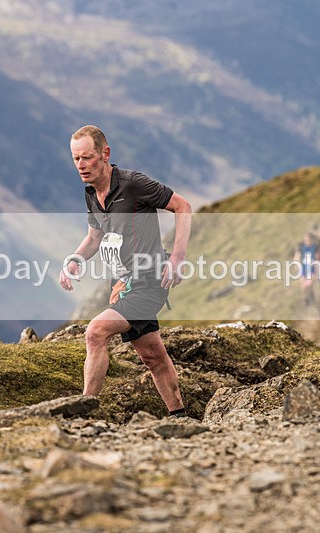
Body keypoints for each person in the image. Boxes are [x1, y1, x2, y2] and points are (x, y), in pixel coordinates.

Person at [59, 125, 193, 418]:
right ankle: (179, 416)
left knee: (95, 332)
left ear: (105, 154)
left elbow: (182, 206)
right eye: (76, 159)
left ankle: (83, 412)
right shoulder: (91, 193)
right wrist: (75, 259)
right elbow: (94, 237)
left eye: (87, 157)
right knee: (152, 356)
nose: (81, 165)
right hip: (122, 285)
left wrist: (177, 258)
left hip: (149, 282)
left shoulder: (133, 184)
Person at [293, 233, 317, 305]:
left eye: (309, 240)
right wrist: (297, 267)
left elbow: (318, 257)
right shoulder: (301, 248)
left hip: (311, 269)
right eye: (306, 240)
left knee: (309, 284)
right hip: (303, 268)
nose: (307, 242)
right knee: (303, 286)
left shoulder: (314, 247)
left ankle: (311, 294)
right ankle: (305, 298)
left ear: (311, 240)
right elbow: (296, 257)